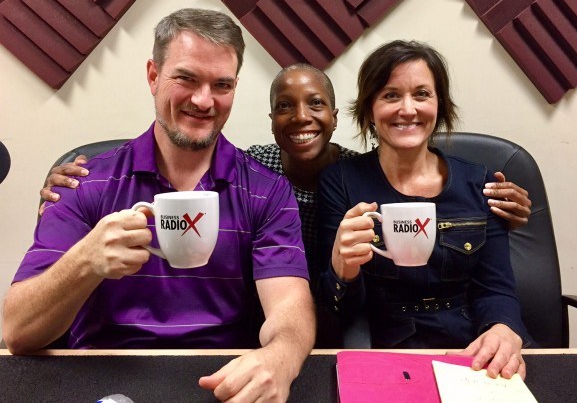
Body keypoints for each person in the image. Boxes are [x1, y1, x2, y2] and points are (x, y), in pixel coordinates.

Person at [38, 63, 533, 348]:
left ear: (336, 116)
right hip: (266, 319)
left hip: (331, 322)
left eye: (316, 104)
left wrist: (500, 210)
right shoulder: (256, 172)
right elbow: (183, 168)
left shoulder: (357, 178)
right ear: (271, 118)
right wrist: (68, 188)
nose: (301, 117)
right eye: (284, 107)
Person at [3, 8, 315, 402]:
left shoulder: (267, 190)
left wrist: (282, 357)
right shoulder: (84, 183)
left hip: (221, 380)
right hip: (101, 381)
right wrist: (86, 260)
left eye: (221, 85)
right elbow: (18, 332)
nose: (203, 100)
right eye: (186, 79)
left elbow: (289, 305)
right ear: (153, 76)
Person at [318, 40, 533, 380]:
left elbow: (496, 288)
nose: (408, 109)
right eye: (390, 95)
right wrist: (342, 270)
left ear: (439, 104)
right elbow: (341, 310)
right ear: (369, 108)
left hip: (472, 345)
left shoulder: (481, 183)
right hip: (387, 349)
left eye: (421, 94)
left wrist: (502, 327)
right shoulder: (341, 181)